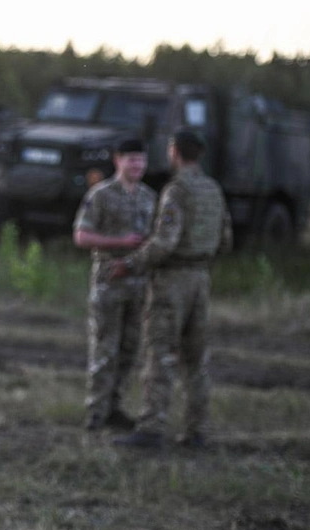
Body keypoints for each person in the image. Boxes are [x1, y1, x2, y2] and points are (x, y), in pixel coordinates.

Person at [110, 128, 233, 450]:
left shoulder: (177, 191)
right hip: (201, 279)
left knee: (159, 353)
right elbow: (225, 239)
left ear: (175, 152)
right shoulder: (213, 189)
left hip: (173, 281)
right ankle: (197, 431)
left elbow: (164, 243)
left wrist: (130, 264)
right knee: (196, 359)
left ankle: (151, 428)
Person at [72, 137, 158, 431]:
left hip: (140, 283)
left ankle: (114, 407)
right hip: (109, 281)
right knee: (105, 349)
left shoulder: (149, 197)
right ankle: (96, 412)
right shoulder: (101, 195)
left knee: (129, 350)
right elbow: (82, 236)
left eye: (141, 160)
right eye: (131, 159)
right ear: (118, 160)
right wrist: (119, 242)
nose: (137, 165)